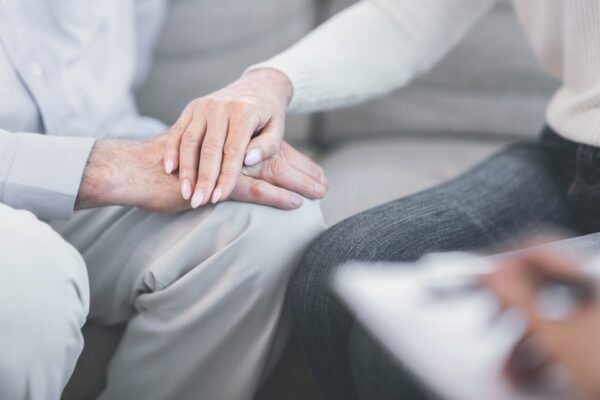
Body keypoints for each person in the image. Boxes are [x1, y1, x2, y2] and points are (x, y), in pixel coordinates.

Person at [179, 0, 600, 398]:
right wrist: (270, 82)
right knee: (333, 274)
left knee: (390, 353)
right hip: (569, 152)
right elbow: (414, 14)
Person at [0, 1, 328, 400]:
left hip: (101, 138)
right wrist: (103, 169)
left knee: (272, 222)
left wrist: (192, 155)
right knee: (29, 282)